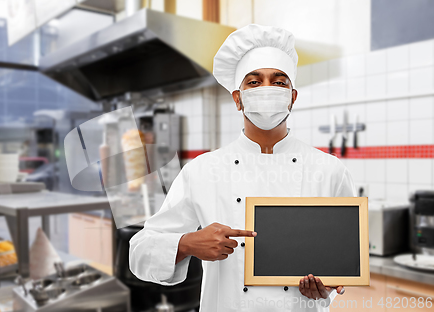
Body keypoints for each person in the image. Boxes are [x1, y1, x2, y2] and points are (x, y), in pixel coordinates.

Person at [129, 24, 356, 312]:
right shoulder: (203, 170)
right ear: (237, 99)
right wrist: (187, 243)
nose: (267, 89)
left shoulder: (329, 171)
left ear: (292, 97)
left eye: (279, 81)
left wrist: (324, 289)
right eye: (254, 81)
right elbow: (139, 252)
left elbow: (344, 257)